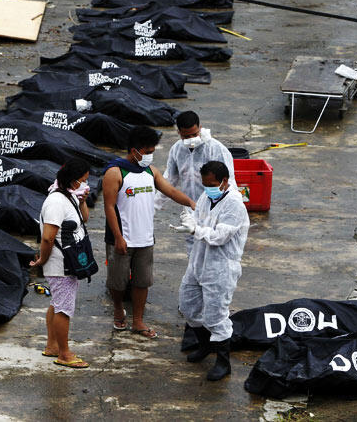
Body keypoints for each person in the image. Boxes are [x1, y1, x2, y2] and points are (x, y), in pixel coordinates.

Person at [103, 125, 196, 339]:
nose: (150, 155)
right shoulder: (115, 173)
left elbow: (170, 191)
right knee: (117, 282)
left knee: (142, 281)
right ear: (135, 150)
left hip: (145, 238)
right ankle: (118, 309)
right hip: (122, 238)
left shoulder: (150, 171)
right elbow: (108, 207)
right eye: (147, 151)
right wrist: (117, 237)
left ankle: (137, 321)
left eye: (152, 151)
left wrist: (191, 202)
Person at [173, 161, 249, 381]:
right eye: (205, 184)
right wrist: (189, 220)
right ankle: (205, 345)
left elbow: (219, 237)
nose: (207, 188)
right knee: (187, 306)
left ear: (225, 181)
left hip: (221, 268)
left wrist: (195, 229)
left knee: (216, 316)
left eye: (212, 184)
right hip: (198, 263)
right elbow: (198, 221)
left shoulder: (235, 204)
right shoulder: (207, 198)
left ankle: (223, 362)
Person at [30, 158, 92, 368]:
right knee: (64, 309)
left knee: (57, 303)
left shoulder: (70, 196)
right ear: (73, 181)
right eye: (82, 181)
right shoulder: (56, 202)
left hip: (66, 262)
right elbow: (48, 237)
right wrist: (43, 260)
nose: (85, 184)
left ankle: (52, 346)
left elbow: (84, 219)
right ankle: (64, 354)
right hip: (60, 263)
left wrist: (83, 200)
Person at [154, 110, 237, 254]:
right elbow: (169, 182)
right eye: (186, 136)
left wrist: (230, 210)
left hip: (214, 210)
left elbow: (229, 182)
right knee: (193, 253)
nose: (192, 139)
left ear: (200, 128)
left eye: (195, 134)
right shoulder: (177, 150)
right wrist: (151, 207)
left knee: (214, 249)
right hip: (191, 211)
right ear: (179, 133)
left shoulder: (216, 149)